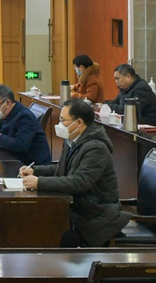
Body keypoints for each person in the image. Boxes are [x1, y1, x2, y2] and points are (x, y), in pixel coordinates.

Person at [21, 99, 131, 247]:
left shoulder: (96, 148)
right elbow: (62, 169)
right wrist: (35, 170)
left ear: (79, 123)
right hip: (79, 209)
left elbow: (79, 182)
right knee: (38, 223)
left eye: (63, 120)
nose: (59, 124)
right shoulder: (73, 139)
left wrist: (39, 182)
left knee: (51, 233)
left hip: (96, 216)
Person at [0, 84, 52, 166]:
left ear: (8, 103)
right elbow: (8, 133)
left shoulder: (24, 117)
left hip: (32, 166)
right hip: (16, 160)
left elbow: (21, 145)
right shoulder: (10, 113)